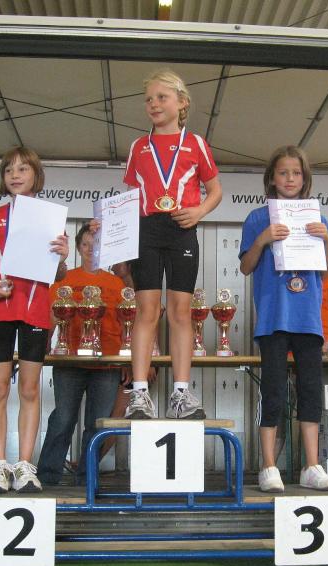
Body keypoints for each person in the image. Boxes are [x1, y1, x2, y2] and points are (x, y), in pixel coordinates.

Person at [121, 69, 222, 420]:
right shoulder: (139, 146)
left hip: (182, 229)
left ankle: (181, 394)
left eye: (161, 97)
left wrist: (199, 211)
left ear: (182, 102)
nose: (153, 104)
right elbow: (131, 196)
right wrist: (114, 229)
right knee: (146, 311)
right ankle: (139, 394)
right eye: (148, 99)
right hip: (147, 229)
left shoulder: (196, 143)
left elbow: (215, 190)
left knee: (181, 312)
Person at [239, 145, 328, 493]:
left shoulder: (318, 218)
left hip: (308, 318)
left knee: (310, 390)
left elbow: (326, 273)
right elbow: (246, 267)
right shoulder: (257, 218)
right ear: (271, 179)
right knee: (273, 391)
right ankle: (268, 466)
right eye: (283, 173)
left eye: (296, 173)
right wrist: (262, 240)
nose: (290, 178)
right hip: (273, 317)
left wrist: (325, 241)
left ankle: (312, 465)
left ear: (305, 178)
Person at [0, 147, 69, 493]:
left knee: (29, 389)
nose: (15, 175)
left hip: (35, 310)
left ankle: (26, 465)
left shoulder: (50, 219)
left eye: (23, 169)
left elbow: (58, 274)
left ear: (36, 175)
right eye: (9, 169)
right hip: (0, 310)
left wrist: (63, 257)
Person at [37, 224, 130, 485]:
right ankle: (47, 476)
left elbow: (127, 324)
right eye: (86, 244)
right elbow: (51, 315)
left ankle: (87, 478)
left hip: (107, 363)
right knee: (63, 418)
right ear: (78, 248)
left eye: (96, 244)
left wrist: (127, 360)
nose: (91, 249)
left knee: (97, 424)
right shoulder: (64, 280)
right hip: (70, 361)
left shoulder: (116, 283)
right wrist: (43, 344)